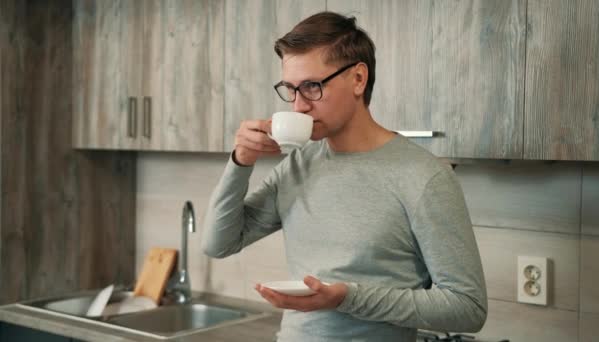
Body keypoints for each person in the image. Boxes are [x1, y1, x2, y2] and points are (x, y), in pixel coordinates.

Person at [203, 11, 487, 342]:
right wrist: (241, 161)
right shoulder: (298, 165)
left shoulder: (425, 176)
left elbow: (468, 308)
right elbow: (218, 243)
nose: (298, 106)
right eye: (290, 89)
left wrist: (347, 298)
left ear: (358, 79)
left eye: (311, 87)